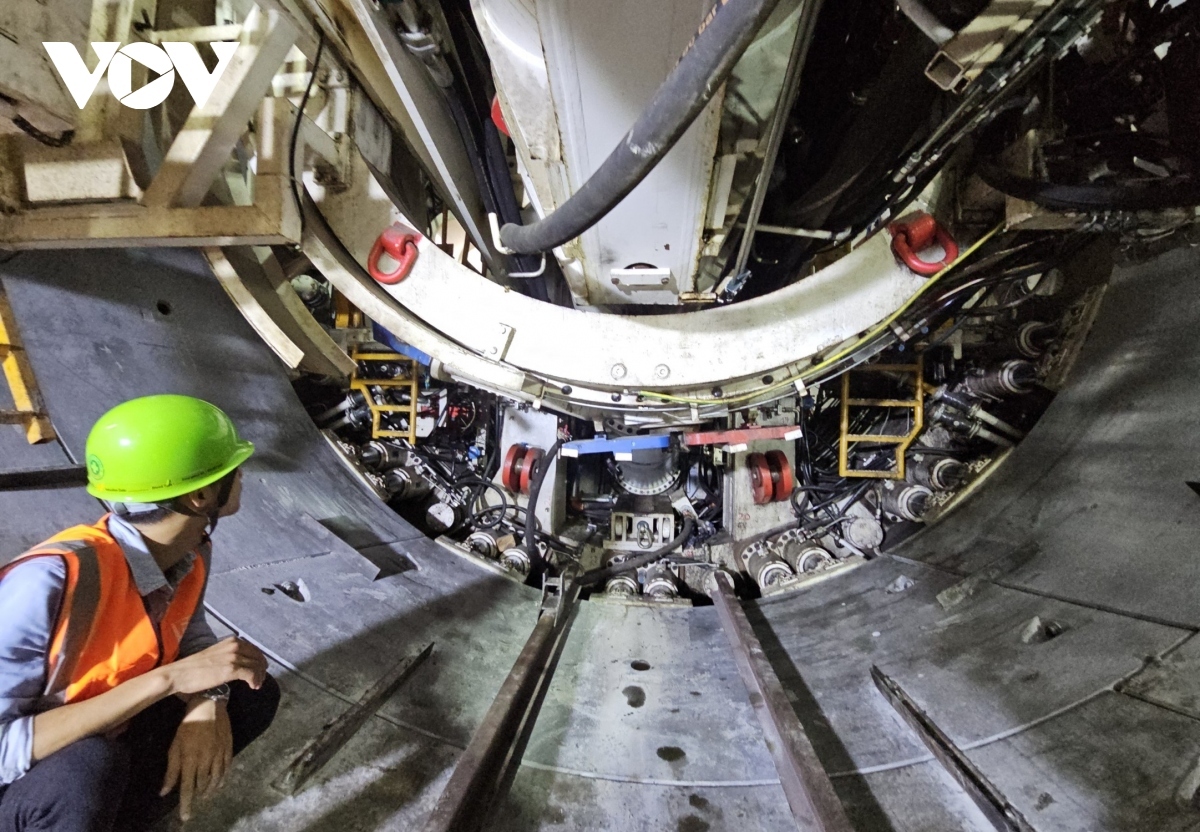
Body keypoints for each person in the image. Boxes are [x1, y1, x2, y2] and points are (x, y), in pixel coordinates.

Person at [0, 395, 280, 832]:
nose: (241, 474)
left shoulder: (189, 551)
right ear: (201, 495)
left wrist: (208, 700)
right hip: (23, 778)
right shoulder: (47, 582)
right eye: (231, 468)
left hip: (102, 734)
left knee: (250, 686)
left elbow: (187, 633)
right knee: (84, 771)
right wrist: (168, 681)